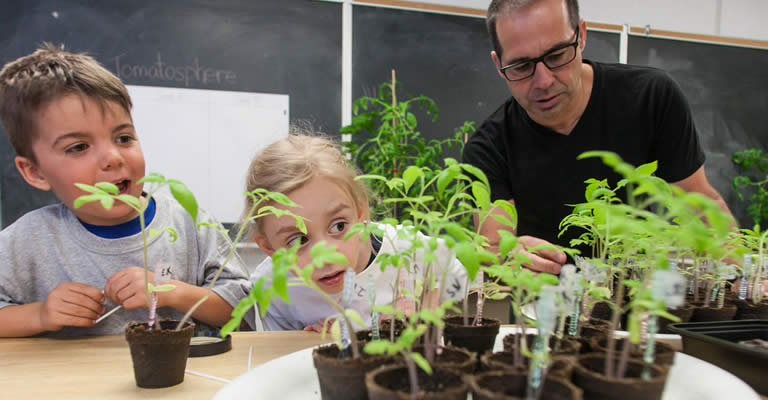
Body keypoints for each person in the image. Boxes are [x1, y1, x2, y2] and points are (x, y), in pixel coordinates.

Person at [0, 44, 251, 339]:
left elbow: (245, 308)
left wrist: (172, 291)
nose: (113, 157)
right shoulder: (29, 240)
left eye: (124, 138)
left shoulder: (190, 222)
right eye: (78, 147)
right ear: (34, 172)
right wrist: (40, 315)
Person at [463, 0, 734, 274]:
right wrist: (508, 256)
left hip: (637, 301)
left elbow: (701, 205)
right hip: (543, 307)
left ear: (581, 35)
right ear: (499, 64)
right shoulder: (489, 148)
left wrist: (745, 276)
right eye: (521, 66)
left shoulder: (650, 98)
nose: (543, 81)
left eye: (557, 55)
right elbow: (493, 247)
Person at [245, 131, 468, 331]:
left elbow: (459, 274)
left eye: (339, 226)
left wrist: (421, 312)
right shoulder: (271, 284)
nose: (327, 257)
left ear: (361, 213)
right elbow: (279, 355)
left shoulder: (405, 249)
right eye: (298, 240)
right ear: (269, 248)